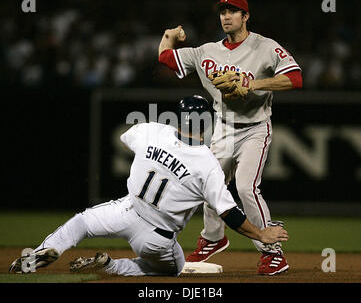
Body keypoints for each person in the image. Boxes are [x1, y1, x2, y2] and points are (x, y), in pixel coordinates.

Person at [9, 95, 288, 276]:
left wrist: (157, 156)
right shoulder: (207, 164)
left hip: (126, 211)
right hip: (156, 239)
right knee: (173, 269)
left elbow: (126, 138)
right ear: (207, 123)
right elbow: (230, 213)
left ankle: (38, 255)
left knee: (80, 223)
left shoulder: (152, 130)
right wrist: (261, 235)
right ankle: (112, 266)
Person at [158, 0, 302, 275]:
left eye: (233, 11)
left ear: (245, 16)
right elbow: (164, 56)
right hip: (223, 128)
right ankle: (213, 238)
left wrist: (254, 84)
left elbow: (295, 78)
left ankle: (273, 253)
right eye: (223, 11)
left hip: (255, 129)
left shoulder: (265, 46)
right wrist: (170, 34)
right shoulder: (205, 51)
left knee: (247, 188)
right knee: (209, 184)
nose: (226, 16)